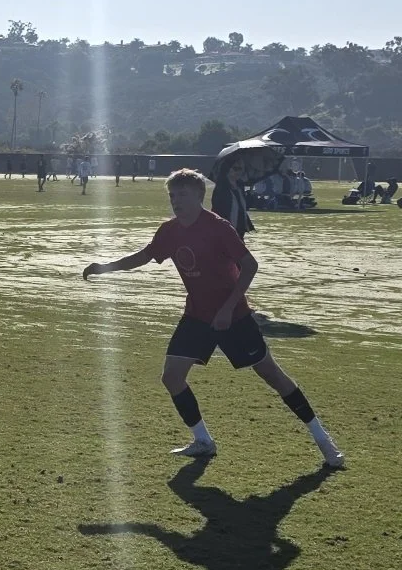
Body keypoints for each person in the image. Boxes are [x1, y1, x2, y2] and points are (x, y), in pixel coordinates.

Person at [83, 169, 346, 468]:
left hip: (234, 318)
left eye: (182, 194)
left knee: (272, 375)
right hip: (196, 316)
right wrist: (105, 267)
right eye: (172, 195)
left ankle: (324, 441)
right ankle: (203, 441)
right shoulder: (169, 231)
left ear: (199, 196)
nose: (176, 201)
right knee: (172, 376)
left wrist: (227, 309)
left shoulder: (218, 228)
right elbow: (144, 256)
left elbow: (250, 266)